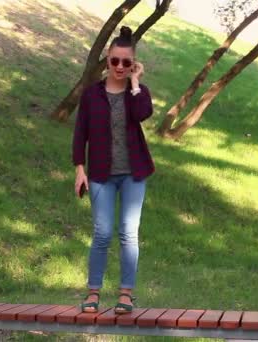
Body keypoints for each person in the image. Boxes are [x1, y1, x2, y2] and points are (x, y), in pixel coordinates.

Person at [72, 25, 155, 314]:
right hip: (100, 174)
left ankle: (125, 295)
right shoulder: (91, 94)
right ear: (107, 61)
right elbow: (80, 132)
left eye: (126, 62)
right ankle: (93, 293)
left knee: (128, 233)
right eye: (115, 61)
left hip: (133, 173)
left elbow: (142, 114)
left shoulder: (138, 93)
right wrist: (79, 169)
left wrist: (135, 84)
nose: (119, 66)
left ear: (133, 64)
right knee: (102, 232)